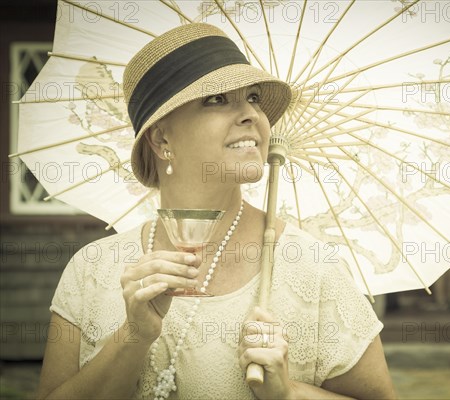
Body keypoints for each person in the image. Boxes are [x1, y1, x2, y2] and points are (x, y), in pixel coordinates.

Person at [36, 23, 396, 400]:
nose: (251, 115)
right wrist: (133, 337)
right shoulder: (92, 270)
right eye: (217, 99)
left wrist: (288, 394)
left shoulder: (312, 267)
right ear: (162, 139)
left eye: (253, 97)